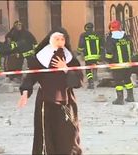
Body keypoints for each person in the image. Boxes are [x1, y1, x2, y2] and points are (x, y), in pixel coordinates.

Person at [18, 27, 83, 155]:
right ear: (50, 40)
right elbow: (31, 77)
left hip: (67, 101)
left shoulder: (71, 59)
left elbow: (78, 82)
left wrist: (65, 68)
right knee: (46, 135)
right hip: (46, 102)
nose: (60, 41)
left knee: (69, 133)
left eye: (62, 39)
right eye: (56, 39)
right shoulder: (40, 58)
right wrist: (25, 92)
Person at [105, 20, 135, 105]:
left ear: (111, 28)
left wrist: (108, 61)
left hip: (117, 65)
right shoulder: (126, 37)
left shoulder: (111, 39)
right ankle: (130, 97)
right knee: (127, 80)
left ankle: (120, 99)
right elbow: (132, 49)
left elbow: (109, 52)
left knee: (118, 82)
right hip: (127, 64)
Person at [77, 22, 103, 89]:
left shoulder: (83, 35)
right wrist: (101, 54)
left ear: (86, 28)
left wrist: (79, 52)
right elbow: (102, 45)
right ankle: (95, 75)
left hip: (88, 56)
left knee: (88, 69)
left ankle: (90, 82)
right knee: (94, 64)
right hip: (96, 55)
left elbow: (81, 45)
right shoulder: (98, 34)